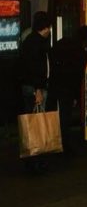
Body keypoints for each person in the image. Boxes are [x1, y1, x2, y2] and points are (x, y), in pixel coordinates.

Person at [47, 25, 87, 155]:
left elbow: (51, 54)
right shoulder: (81, 53)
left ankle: (49, 141)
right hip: (67, 88)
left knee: (50, 113)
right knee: (65, 116)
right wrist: (75, 96)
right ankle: (64, 144)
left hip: (54, 83)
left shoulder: (63, 42)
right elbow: (77, 76)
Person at [20, 11, 52, 174]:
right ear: (46, 27)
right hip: (35, 88)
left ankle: (30, 158)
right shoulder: (38, 43)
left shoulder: (28, 41)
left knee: (30, 122)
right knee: (37, 124)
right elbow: (36, 69)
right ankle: (36, 160)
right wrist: (38, 89)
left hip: (28, 87)